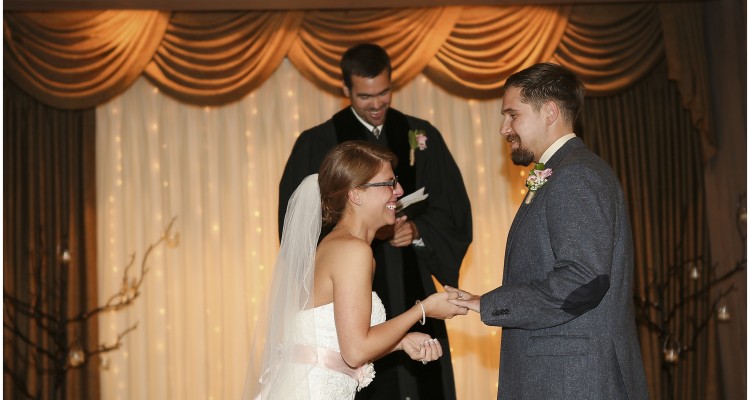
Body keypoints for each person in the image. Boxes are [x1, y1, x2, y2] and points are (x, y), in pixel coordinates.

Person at [278, 43, 472, 400]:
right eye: (365, 96)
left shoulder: (420, 133)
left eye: (384, 92)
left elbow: (453, 208)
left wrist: (417, 231)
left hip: (408, 276)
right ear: (346, 89)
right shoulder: (317, 143)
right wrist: (424, 309)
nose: (377, 104)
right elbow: (297, 231)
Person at [446, 63, 649, 399]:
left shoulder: (576, 175)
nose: (503, 128)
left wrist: (489, 303)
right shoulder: (564, 171)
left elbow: (582, 280)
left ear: (550, 112)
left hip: (573, 382)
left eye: (512, 115)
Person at [246, 141, 467, 399]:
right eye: (389, 183)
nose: (399, 190)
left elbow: (335, 345)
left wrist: (400, 342)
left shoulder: (340, 245)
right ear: (356, 195)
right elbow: (355, 352)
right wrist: (424, 309)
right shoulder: (353, 251)